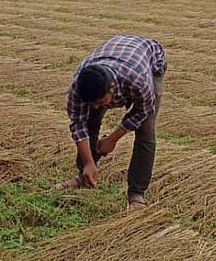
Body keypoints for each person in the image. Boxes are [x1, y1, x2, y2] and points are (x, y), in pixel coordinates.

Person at [55, 34, 167, 210]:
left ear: (112, 88)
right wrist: (89, 162)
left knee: (145, 132)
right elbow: (78, 125)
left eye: (100, 102)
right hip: (116, 54)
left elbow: (142, 111)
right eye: (92, 102)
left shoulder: (139, 81)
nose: (96, 106)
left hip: (150, 60)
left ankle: (136, 193)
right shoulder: (78, 87)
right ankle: (85, 176)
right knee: (91, 121)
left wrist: (112, 139)